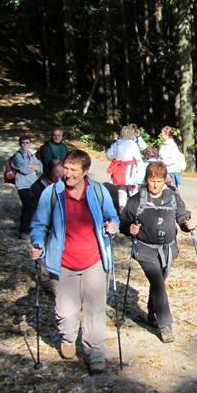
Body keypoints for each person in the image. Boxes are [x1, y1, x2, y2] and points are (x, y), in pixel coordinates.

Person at [30, 150, 119, 375]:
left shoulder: (98, 191)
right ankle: (68, 338)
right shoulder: (52, 193)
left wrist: (112, 225)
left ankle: (96, 352)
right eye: (65, 168)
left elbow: (112, 215)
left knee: (95, 309)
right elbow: (39, 224)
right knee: (66, 312)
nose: (67, 174)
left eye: (73, 170)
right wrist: (38, 242)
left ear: (85, 172)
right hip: (63, 262)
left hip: (95, 260)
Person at [119, 161, 194, 343]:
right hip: (145, 250)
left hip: (168, 250)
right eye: (152, 181)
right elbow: (123, 223)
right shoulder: (137, 200)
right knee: (159, 284)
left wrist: (187, 224)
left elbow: (182, 217)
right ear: (147, 180)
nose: (155, 185)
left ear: (164, 181)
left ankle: (152, 314)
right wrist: (131, 229)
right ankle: (165, 325)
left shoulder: (172, 197)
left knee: (159, 282)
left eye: (159, 181)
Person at [106, 124, 144, 210]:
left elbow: (108, 155)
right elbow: (138, 159)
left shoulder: (117, 143)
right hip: (130, 170)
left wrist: (115, 158)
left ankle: (122, 210)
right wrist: (138, 170)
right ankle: (134, 209)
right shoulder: (132, 144)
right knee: (132, 190)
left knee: (121, 190)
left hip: (119, 169)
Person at [12, 134, 41, 238]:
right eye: (23, 142)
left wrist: (30, 166)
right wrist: (33, 166)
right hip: (22, 185)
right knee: (27, 206)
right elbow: (24, 170)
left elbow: (40, 167)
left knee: (33, 206)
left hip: (32, 183)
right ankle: (23, 231)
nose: (25, 144)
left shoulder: (31, 155)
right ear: (20, 143)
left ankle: (30, 228)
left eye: (27, 142)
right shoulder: (17, 155)